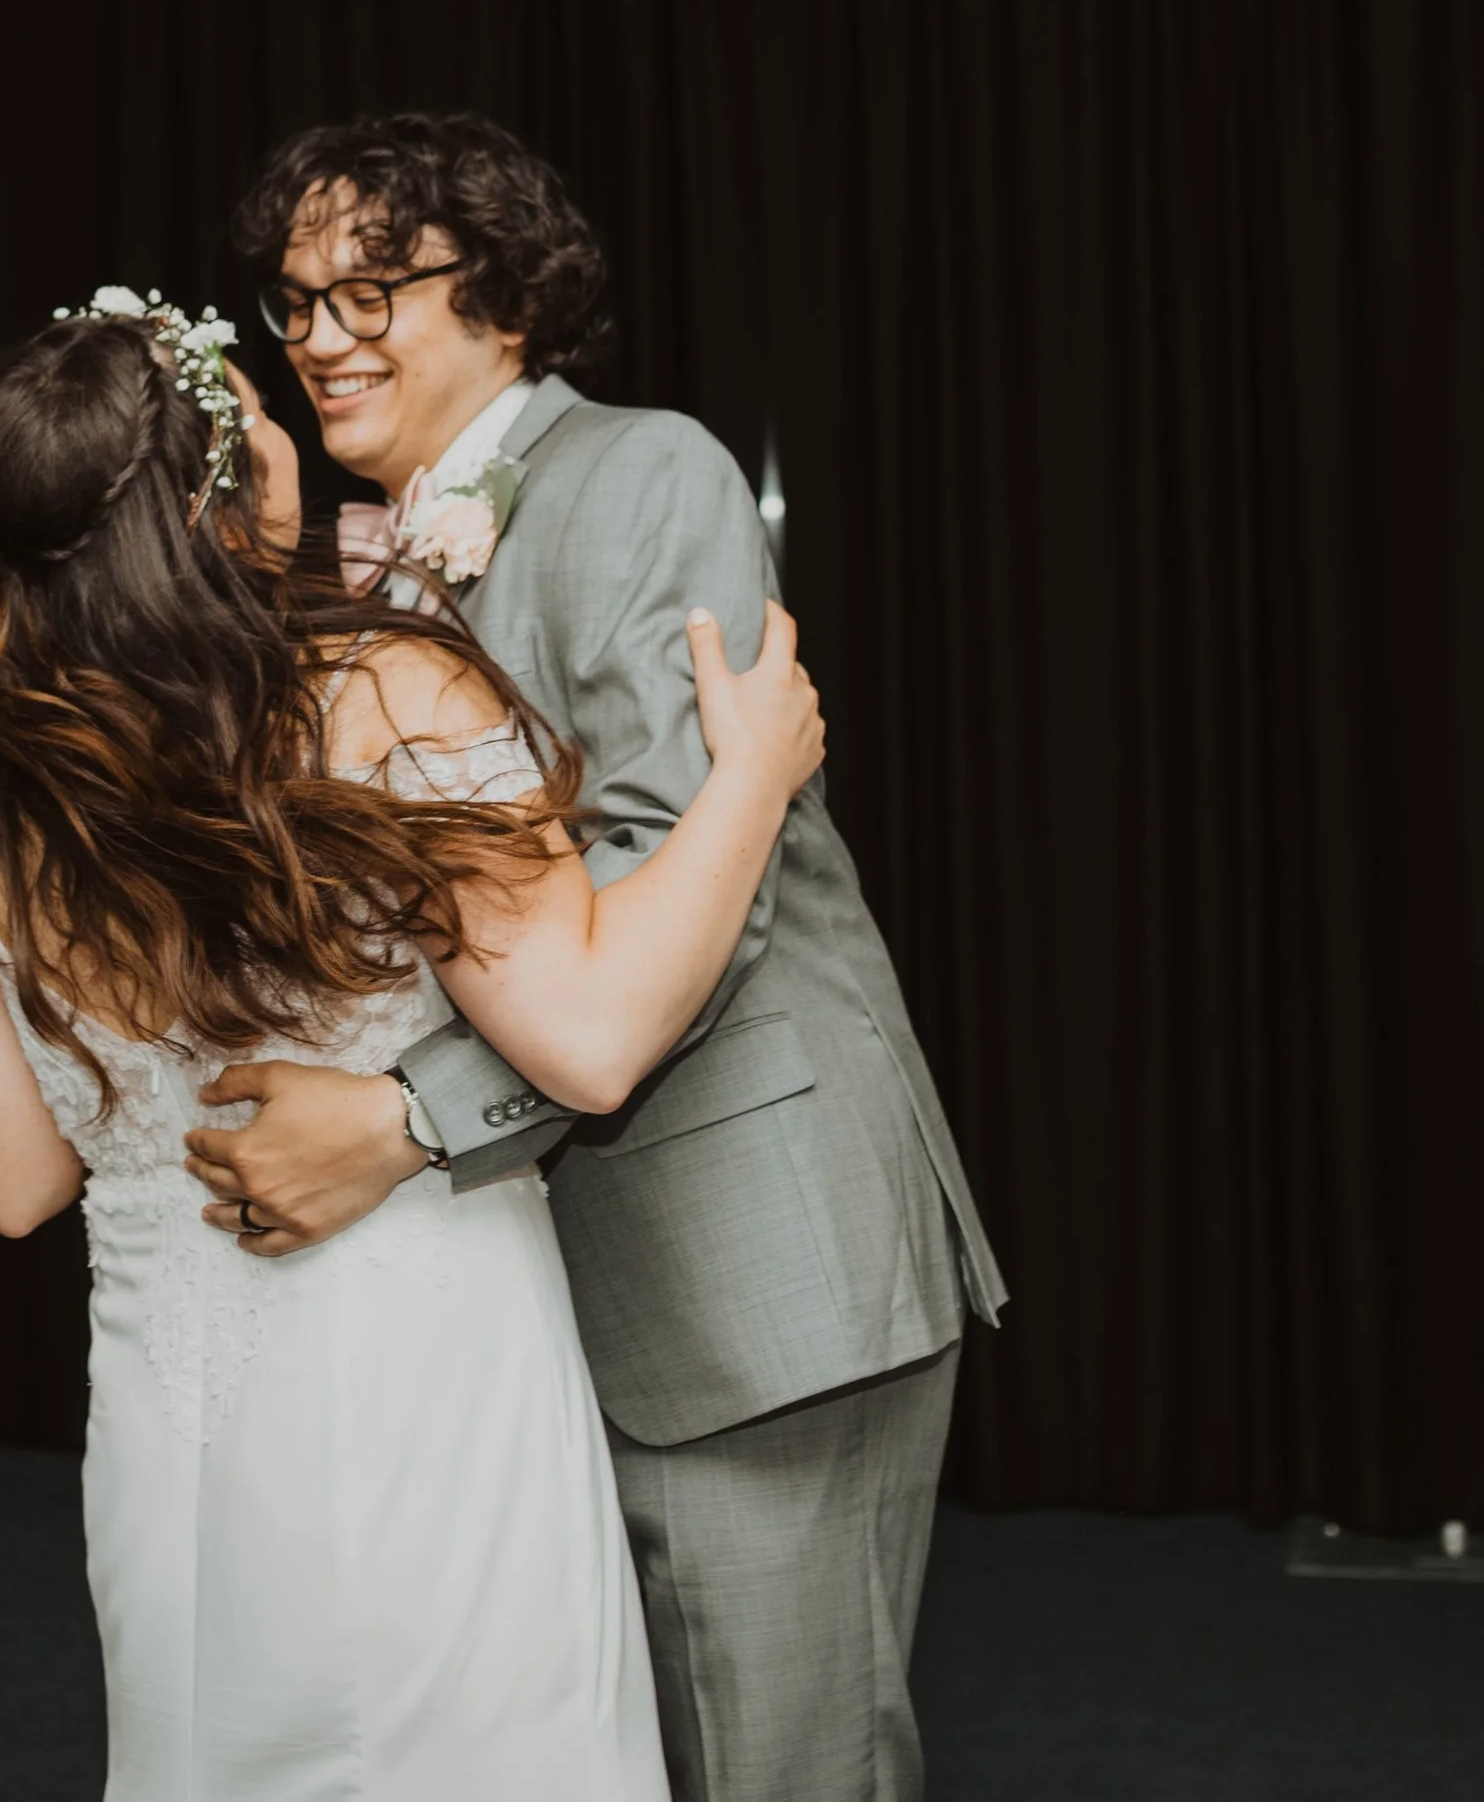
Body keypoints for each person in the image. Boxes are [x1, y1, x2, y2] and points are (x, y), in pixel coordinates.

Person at [0, 284, 826, 1799]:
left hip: (161, 1426)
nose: (292, 428)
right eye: (257, 415)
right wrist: (751, 782)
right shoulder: (383, 687)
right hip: (422, 1374)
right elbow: (587, 1043)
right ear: (219, 492)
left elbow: (10, 1180)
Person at [187, 114, 1010, 1802]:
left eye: (372, 289)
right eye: (294, 303)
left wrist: (401, 1122)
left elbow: (693, 880)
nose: (323, 335)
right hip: (536, 1288)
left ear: (501, 299)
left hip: (746, 1265)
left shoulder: (643, 472)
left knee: (785, 1772)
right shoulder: (377, 547)